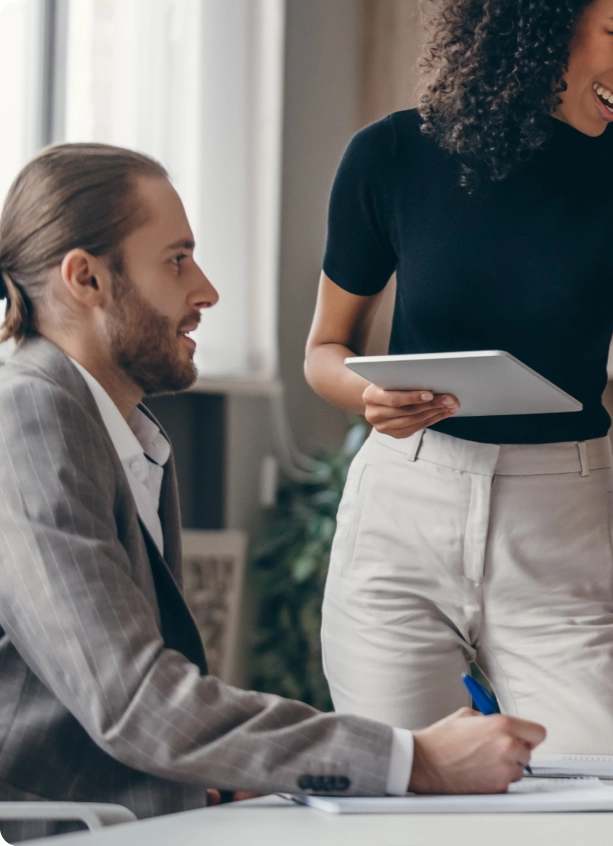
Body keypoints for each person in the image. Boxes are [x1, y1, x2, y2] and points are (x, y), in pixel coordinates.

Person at [0, 144, 543, 842]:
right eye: (176, 260)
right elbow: (134, 701)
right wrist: (414, 759)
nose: (207, 291)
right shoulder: (29, 419)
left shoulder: (116, 429)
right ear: (86, 278)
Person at [303, 0, 613, 759]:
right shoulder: (390, 155)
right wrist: (369, 396)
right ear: (541, 19)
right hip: (401, 519)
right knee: (403, 803)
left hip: (562, 528)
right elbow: (324, 350)